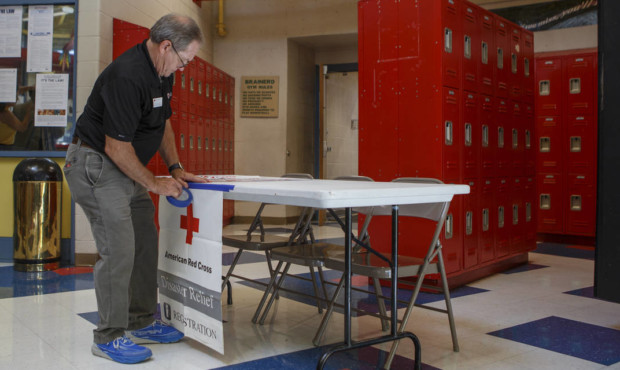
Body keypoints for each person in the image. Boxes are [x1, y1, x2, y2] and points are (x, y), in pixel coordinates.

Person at [63, 14, 206, 364]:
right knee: (119, 249)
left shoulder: (162, 73)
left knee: (144, 241)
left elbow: (164, 122)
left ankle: (139, 322)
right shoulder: (128, 75)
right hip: (96, 164)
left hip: (124, 168)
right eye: (184, 60)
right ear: (166, 46)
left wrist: (175, 167)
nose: (184, 68)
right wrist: (154, 183)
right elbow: (116, 147)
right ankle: (108, 336)